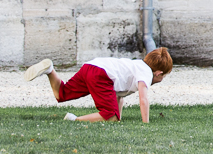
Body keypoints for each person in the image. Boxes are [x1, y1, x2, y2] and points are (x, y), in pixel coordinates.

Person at [23, 48, 173, 123]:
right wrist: (145, 124)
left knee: (62, 93)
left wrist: (119, 118)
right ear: (158, 73)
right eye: (164, 75)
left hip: (91, 66)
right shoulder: (146, 73)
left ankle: (50, 70)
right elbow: (143, 99)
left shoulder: (136, 65)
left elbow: (119, 96)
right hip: (101, 74)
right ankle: (74, 120)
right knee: (110, 115)